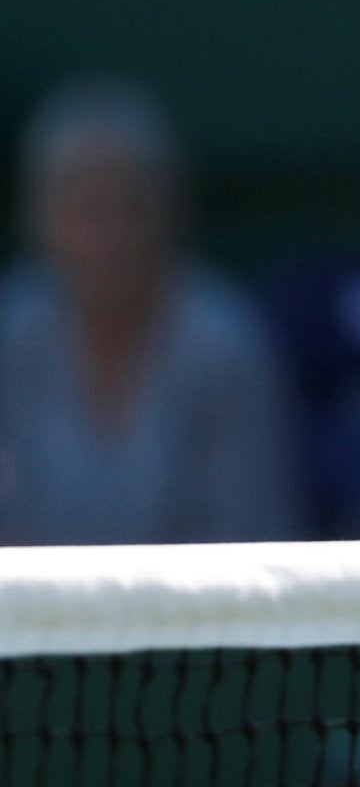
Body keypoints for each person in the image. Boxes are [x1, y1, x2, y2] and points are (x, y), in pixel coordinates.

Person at [0, 75, 305, 547]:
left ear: (172, 212)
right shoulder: (11, 334)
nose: (111, 237)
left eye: (132, 207)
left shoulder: (225, 345)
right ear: (40, 218)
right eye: (87, 209)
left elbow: (250, 541)